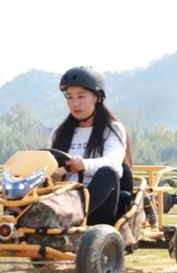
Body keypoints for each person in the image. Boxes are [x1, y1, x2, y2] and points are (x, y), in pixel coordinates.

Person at [49, 66, 127, 225]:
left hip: (98, 204)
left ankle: (73, 217)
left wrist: (84, 164)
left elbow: (114, 162)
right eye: (69, 97)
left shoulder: (112, 129)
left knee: (109, 172)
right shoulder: (59, 133)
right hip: (60, 198)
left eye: (81, 96)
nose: (75, 103)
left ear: (97, 98)